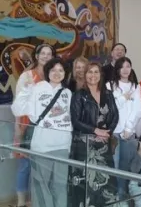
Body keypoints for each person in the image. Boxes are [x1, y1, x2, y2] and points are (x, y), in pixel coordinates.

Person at [12, 58, 72, 207]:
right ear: (48, 72)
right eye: (53, 70)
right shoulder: (37, 88)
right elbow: (18, 109)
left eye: (60, 70)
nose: (57, 73)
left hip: (62, 146)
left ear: (65, 73)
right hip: (41, 147)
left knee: (60, 186)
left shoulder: (67, 93)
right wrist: (26, 90)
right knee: (40, 186)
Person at [70, 62, 119, 207]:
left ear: (100, 75)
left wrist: (107, 133)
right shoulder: (79, 95)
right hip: (85, 145)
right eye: (89, 72)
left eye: (96, 72)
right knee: (87, 183)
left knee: (107, 180)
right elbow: (76, 120)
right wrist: (95, 131)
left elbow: (115, 116)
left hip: (104, 144)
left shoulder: (108, 94)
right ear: (85, 75)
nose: (93, 75)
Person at [13, 43, 56, 207]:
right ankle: (21, 202)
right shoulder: (27, 75)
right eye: (42, 53)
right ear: (37, 56)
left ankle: (35, 200)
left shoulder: (53, 75)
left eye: (49, 53)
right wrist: (19, 130)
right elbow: (19, 102)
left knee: (42, 167)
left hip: (46, 128)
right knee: (25, 165)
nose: (45, 56)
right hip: (27, 125)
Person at [106, 57, 141, 199]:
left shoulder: (135, 86)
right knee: (114, 164)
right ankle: (114, 196)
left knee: (126, 166)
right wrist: (122, 98)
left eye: (128, 66)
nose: (126, 69)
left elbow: (138, 109)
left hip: (129, 132)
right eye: (123, 66)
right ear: (118, 69)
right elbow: (110, 108)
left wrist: (129, 128)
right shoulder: (110, 85)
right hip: (114, 132)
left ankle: (123, 195)